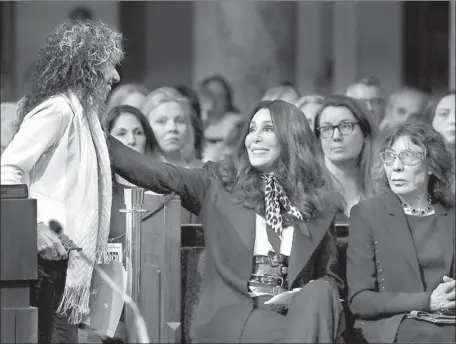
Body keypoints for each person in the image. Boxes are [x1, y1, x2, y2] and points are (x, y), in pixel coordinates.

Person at [108, 100, 345, 343]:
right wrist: (93, 133)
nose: (255, 138)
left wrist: (300, 296)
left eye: (267, 129)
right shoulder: (218, 183)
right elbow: (157, 173)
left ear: (292, 136)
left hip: (294, 315)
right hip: (235, 318)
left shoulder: (318, 205)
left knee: (320, 292)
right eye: (252, 129)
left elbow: (330, 277)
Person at [0, 19, 123, 343]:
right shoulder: (58, 110)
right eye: (109, 66)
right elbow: (7, 171)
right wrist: (35, 227)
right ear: (87, 67)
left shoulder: (87, 117)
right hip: (44, 262)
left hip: (65, 262)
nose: (116, 76)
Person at [347, 122, 456, 343]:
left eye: (408, 157)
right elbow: (360, 301)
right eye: (390, 157)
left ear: (432, 165)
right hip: (394, 323)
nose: (396, 166)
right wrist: (428, 301)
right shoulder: (367, 214)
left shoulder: (451, 212)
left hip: (448, 321)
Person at [314, 95, 379, 218]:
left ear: (365, 134)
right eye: (326, 129)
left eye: (346, 126)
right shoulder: (306, 194)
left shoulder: (383, 191)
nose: (336, 136)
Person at [141, 87, 203, 168]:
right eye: (161, 121)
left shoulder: (207, 173)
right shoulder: (137, 174)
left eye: (179, 121)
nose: (172, 128)